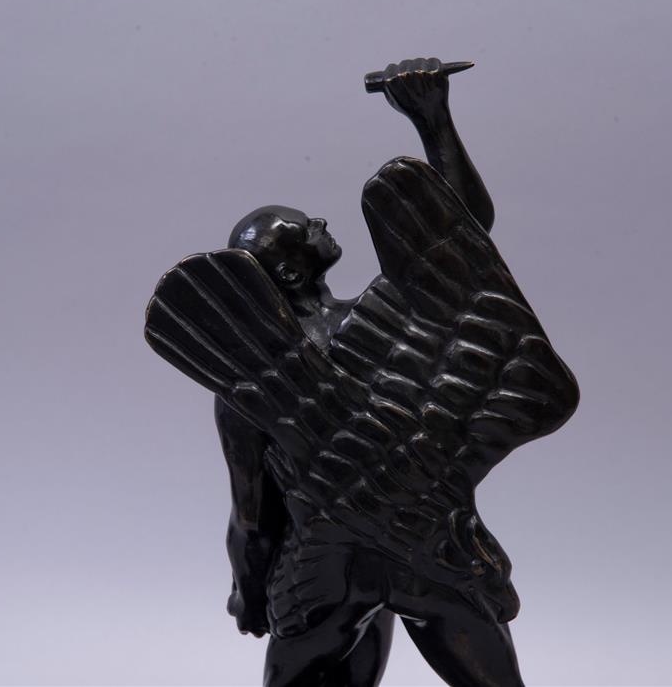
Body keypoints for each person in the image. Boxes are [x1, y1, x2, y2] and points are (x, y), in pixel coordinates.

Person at [215, 59, 524, 686]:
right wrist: (432, 119)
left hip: (325, 567)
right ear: (293, 273)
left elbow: (252, 516)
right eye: (304, 229)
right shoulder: (386, 327)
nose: (321, 223)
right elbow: (463, 238)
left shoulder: (249, 380)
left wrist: (250, 589)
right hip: (426, 549)